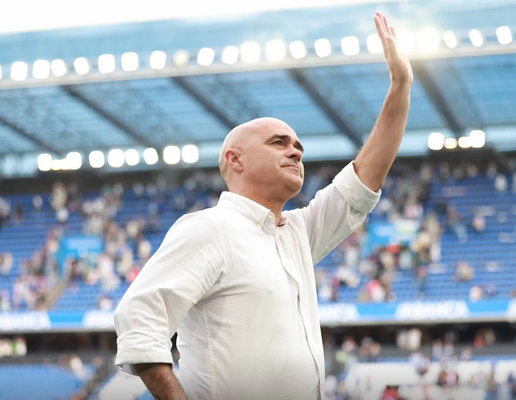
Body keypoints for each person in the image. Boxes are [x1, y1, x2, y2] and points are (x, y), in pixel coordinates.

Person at [114, 12, 413, 400]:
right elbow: (139, 319)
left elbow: (364, 179)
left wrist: (401, 86)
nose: (296, 152)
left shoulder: (297, 232)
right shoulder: (208, 229)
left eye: (298, 147)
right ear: (235, 159)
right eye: (278, 143)